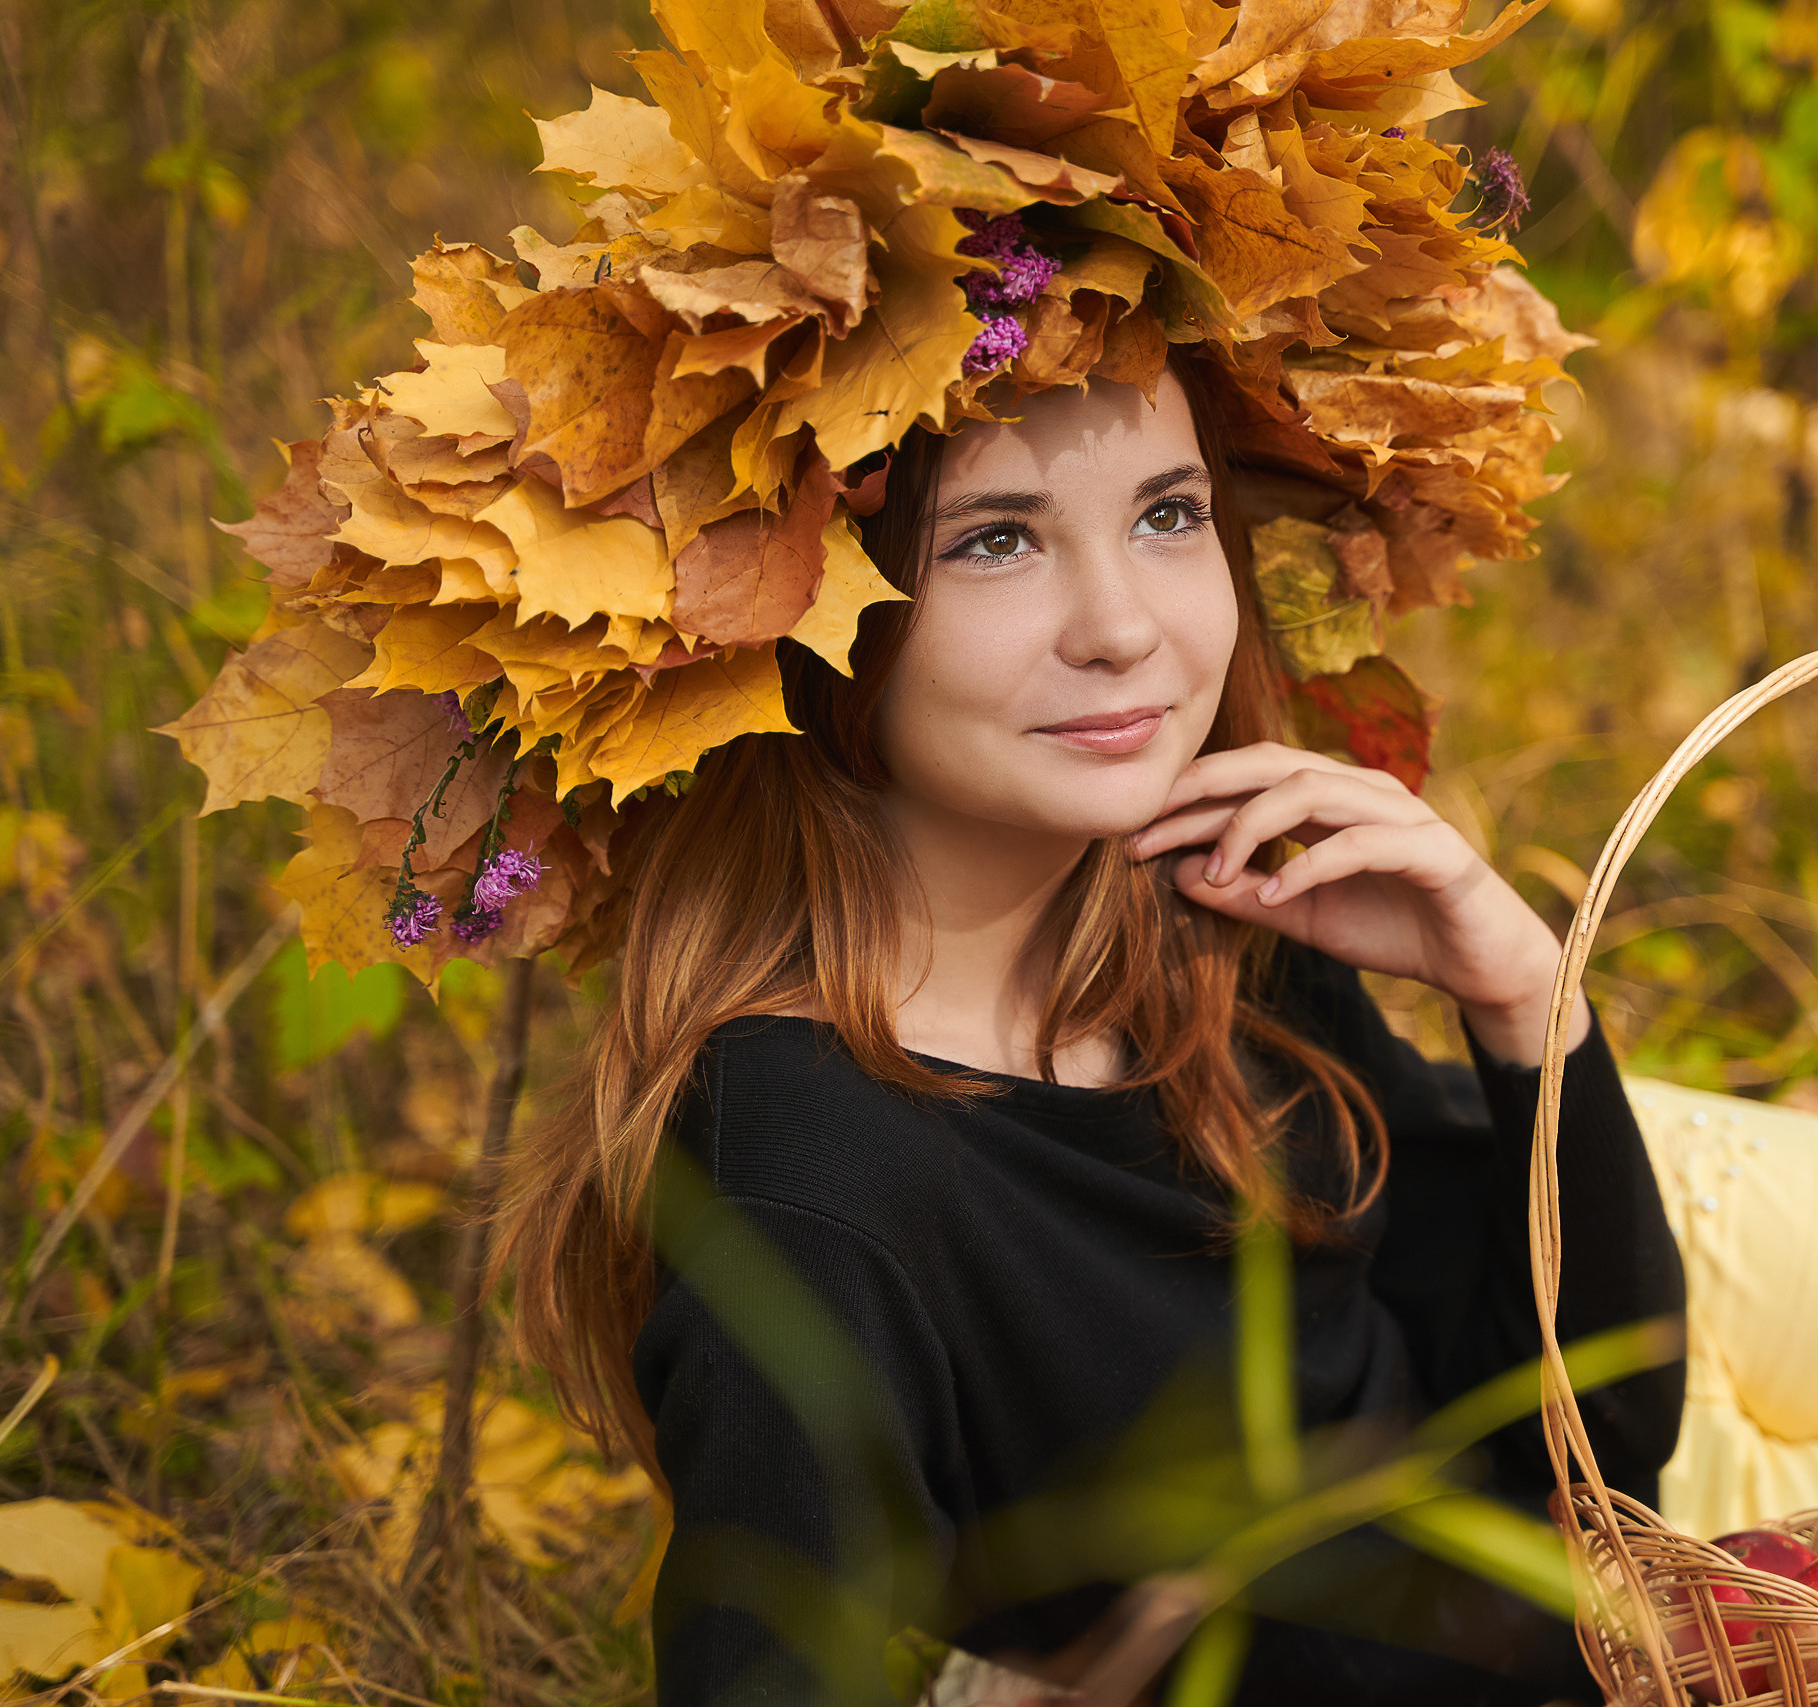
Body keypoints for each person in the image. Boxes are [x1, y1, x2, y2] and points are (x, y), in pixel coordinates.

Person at [492, 354, 1686, 1704]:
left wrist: (1525, 1002)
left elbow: (1602, 1456)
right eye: (997, 541)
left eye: (1168, 514)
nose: (1122, 628)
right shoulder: (813, 1174)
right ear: (794, 604)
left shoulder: (1206, 938)